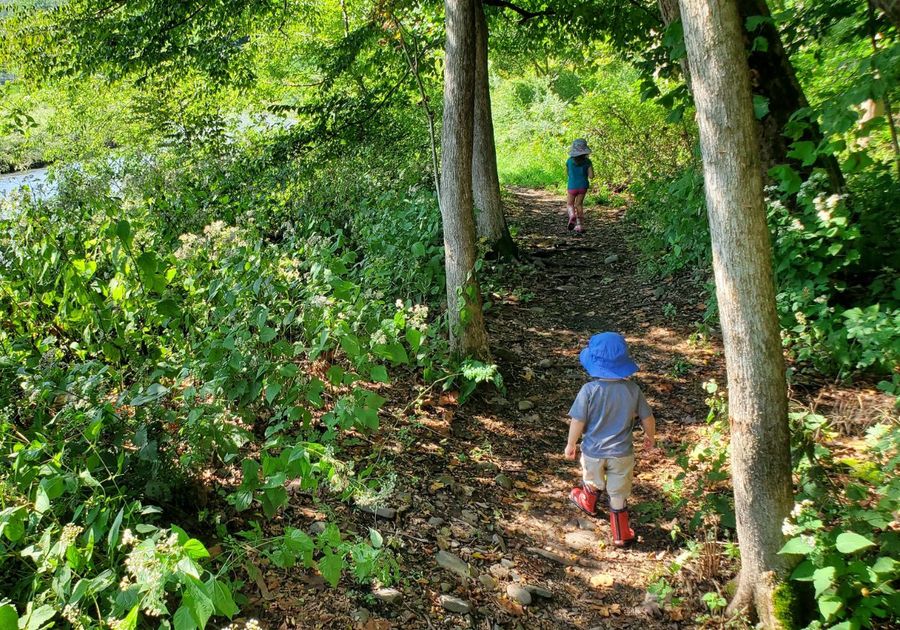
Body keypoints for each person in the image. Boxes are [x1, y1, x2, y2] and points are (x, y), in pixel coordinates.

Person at [564, 332, 657, 546]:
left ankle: (588, 502)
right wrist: (649, 437)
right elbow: (647, 417)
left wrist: (571, 444)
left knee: (593, 480)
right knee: (617, 493)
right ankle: (620, 533)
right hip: (622, 453)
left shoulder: (589, 390)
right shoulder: (633, 390)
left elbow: (577, 420)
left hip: (593, 452)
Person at [565, 138, 594, 233]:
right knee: (579, 205)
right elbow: (591, 176)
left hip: (572, 186)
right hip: (583, 186)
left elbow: (568, 174)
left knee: (570, 204)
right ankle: (580, 226)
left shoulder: (569, 161)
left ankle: (572, 215)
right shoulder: (587, 162)